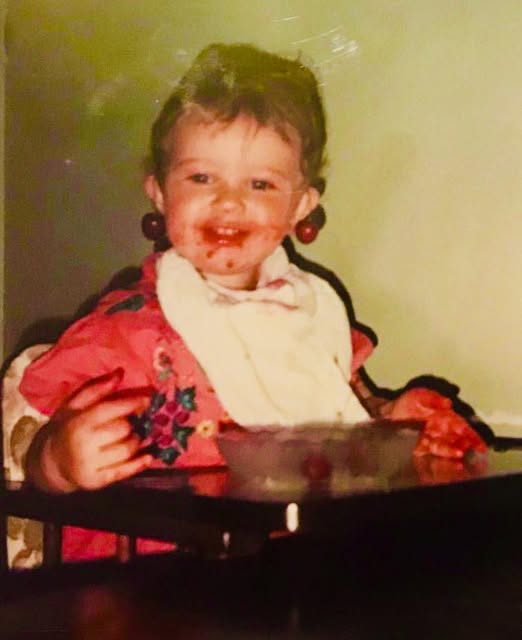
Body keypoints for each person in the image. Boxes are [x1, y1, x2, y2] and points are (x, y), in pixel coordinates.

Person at [16, 43, 489, 499]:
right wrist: (57, 459)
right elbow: (22, 441)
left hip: (284, 543)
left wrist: (395, 421)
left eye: (260, 184)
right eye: (202, 177)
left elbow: (342, 412)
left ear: (299, 207)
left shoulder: (308, 315)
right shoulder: (125, 330)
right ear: (160, 193)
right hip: (161, 547)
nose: (229, 201)